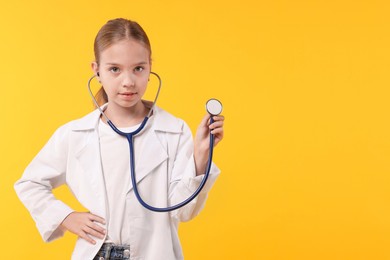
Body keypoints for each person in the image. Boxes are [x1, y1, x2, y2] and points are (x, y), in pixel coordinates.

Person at [14, 18, 224, 260]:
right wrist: (64, 216)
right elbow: (29, 183)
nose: (128, 81)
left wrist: (200, 156)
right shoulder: (74, 134)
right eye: (115, 69)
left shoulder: (174, 131)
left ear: (150, 67)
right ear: (97, 70)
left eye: (138, 68)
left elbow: (183, 211)